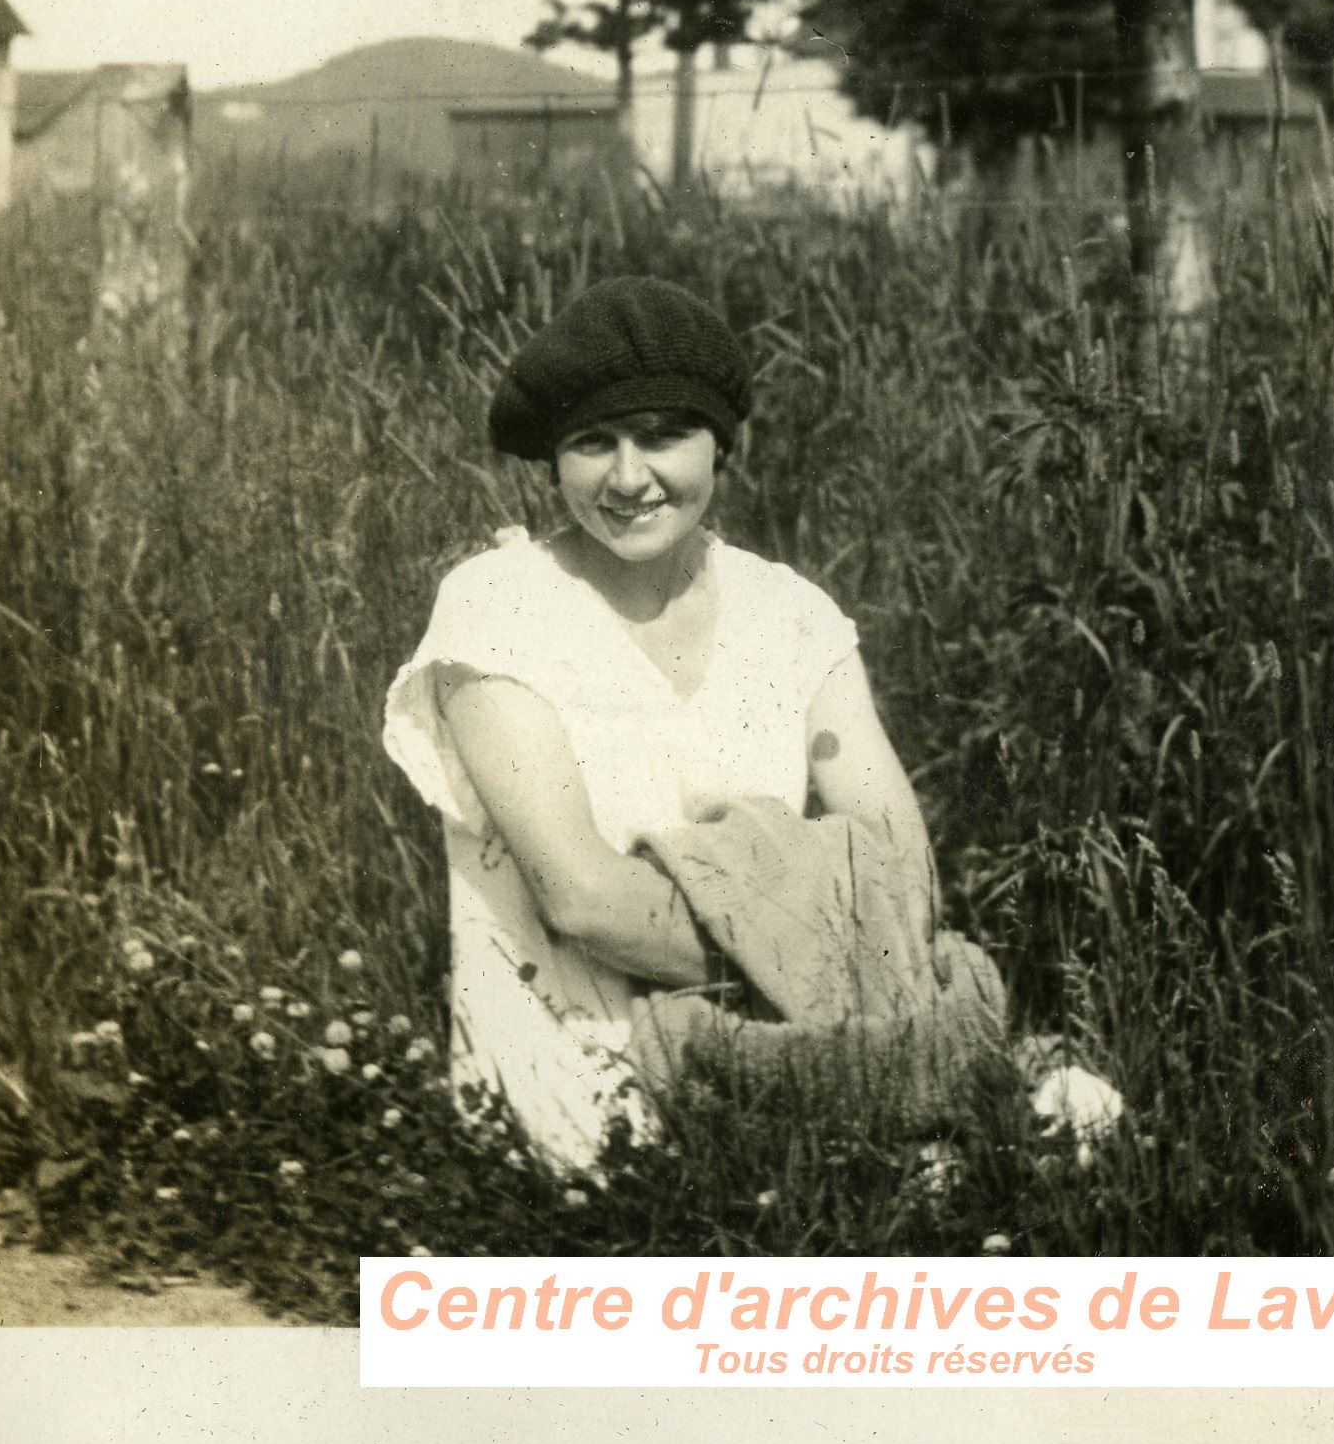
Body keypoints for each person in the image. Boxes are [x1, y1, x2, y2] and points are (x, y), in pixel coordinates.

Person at [382, 274, 946, 1171]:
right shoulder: (497, 608)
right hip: (580, 1066)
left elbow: (898, 858)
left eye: (662, 436)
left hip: (785, 1033)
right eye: (592, 443)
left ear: (721, 444)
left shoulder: (792, 616)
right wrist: (819, 956)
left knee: (1065, 1129)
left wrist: (820, 964)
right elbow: (584, 898)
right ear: (553, 460)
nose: (628, 477)